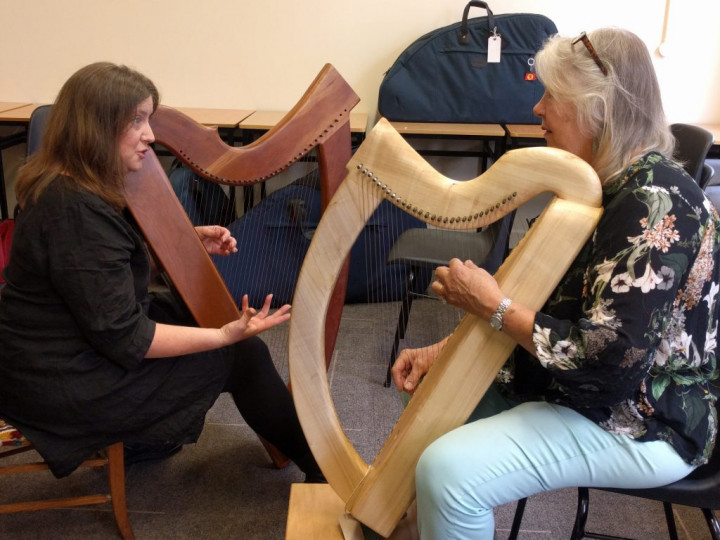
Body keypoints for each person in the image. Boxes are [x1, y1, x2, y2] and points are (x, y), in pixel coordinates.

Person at [391, 28, 720, 539]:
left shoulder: (653, 201)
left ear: (598, 109)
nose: (537, 109)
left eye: (551, 96)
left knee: (449, 474)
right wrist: (444, 350)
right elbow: (551, 304)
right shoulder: (599, 186)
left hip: (647, 418)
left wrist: (492, 306)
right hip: (587, 390)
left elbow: (605, 363)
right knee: (435, 398)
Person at [0, 61, 322, 482]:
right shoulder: (72, 208)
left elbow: (94, 272)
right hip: (64, 379)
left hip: (61, 345)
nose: (150, 135)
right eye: (137, 120)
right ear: (95, 126)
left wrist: (187, 240)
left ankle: (147, 438)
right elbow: (125, 334)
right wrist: (223, 337)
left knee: (199, 317)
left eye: (147, 119)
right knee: (238, 354)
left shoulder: (68, 183)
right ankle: (323, 473)